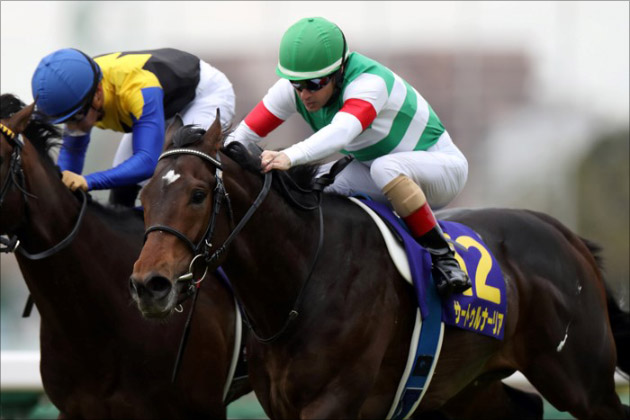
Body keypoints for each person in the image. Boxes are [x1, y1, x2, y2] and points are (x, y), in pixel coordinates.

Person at [226, 17, 470, 297]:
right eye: (296, 84)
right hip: (375, 169)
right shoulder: (296, 90)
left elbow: (341, 133)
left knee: (385, 168)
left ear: (339, 71)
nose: (305, 94)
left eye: (314, 83)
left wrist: (289, 156)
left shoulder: (370, 83)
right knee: (305, 185)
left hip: (441, 169)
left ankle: (444, 258)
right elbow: (240, 137)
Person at [32, 48, 235, 207]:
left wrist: (88, 181)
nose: (73, 126)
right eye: (66, 120)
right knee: (122, 189)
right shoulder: (79, 92)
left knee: (180, 177)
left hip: (203, 96)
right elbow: (70, 164)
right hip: (161, 105)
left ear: (98, 94)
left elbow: (147, 162)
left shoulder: (137, 88)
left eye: (76, 117)